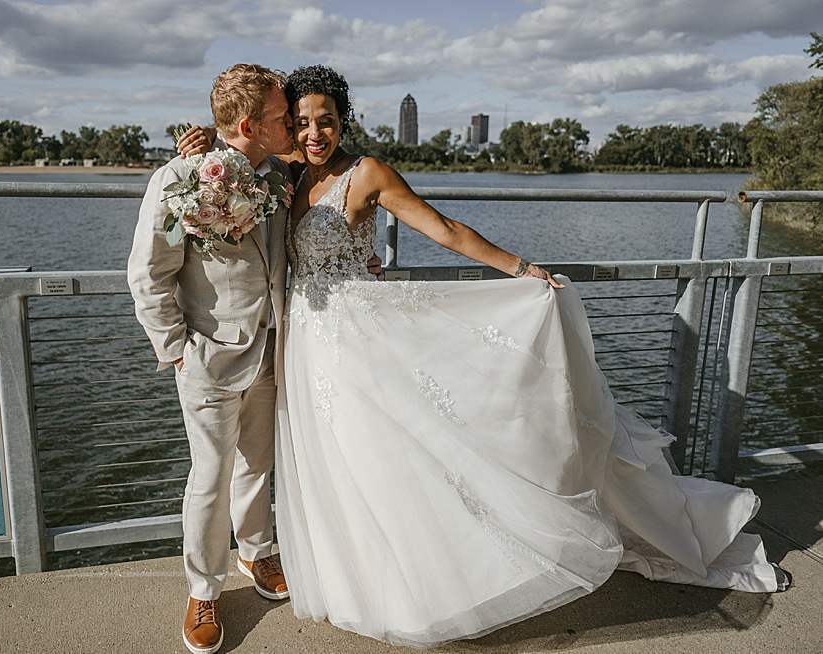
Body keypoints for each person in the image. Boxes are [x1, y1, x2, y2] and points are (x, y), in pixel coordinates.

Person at [272, 64, 789, 647]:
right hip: (306, 339)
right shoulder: (289, 172)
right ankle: (354, 577)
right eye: (303, 123)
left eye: (326, 121)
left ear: (344, 122)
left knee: (381, 452)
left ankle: (422, 582)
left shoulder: (367, 173)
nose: (314, 133)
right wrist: (203, 147)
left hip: (358, 338)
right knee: (334, 456)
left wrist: (519, 268)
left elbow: (444, 229)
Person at [127, 63, 295, 654]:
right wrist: (176, 348)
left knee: (258, 467)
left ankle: (257, 553)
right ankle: (203, 589)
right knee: (210, 477)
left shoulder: (281, 176)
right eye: (281, 116)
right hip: (208, 357)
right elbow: (148, 273)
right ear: (249, 125)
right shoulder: (179, 179)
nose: (291, 124)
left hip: (272, 349)